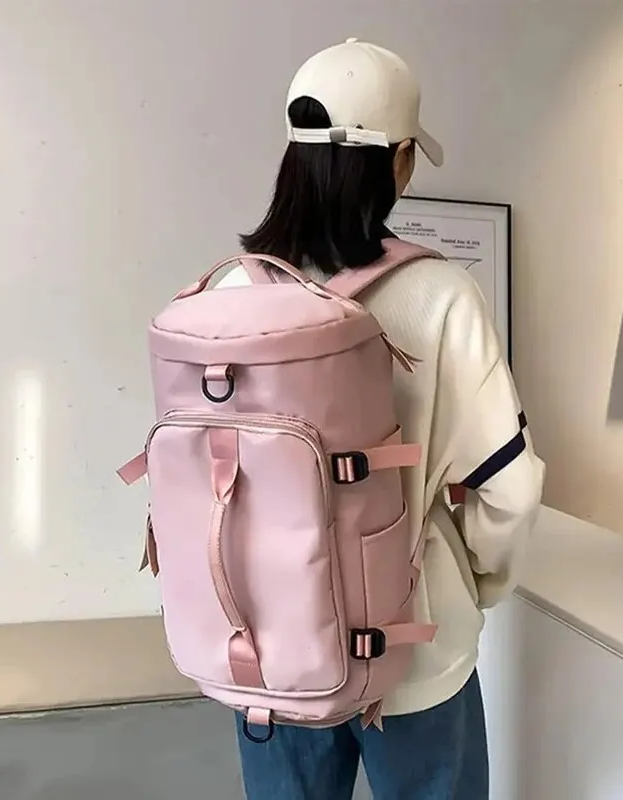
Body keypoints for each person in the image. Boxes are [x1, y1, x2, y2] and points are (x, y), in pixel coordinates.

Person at [221, 38, 545, 800]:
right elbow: (512, 489)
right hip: (413, 645)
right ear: (399, 162)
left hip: (272, 648)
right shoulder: (442, 297)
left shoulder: (231, 293)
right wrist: (473, 584)